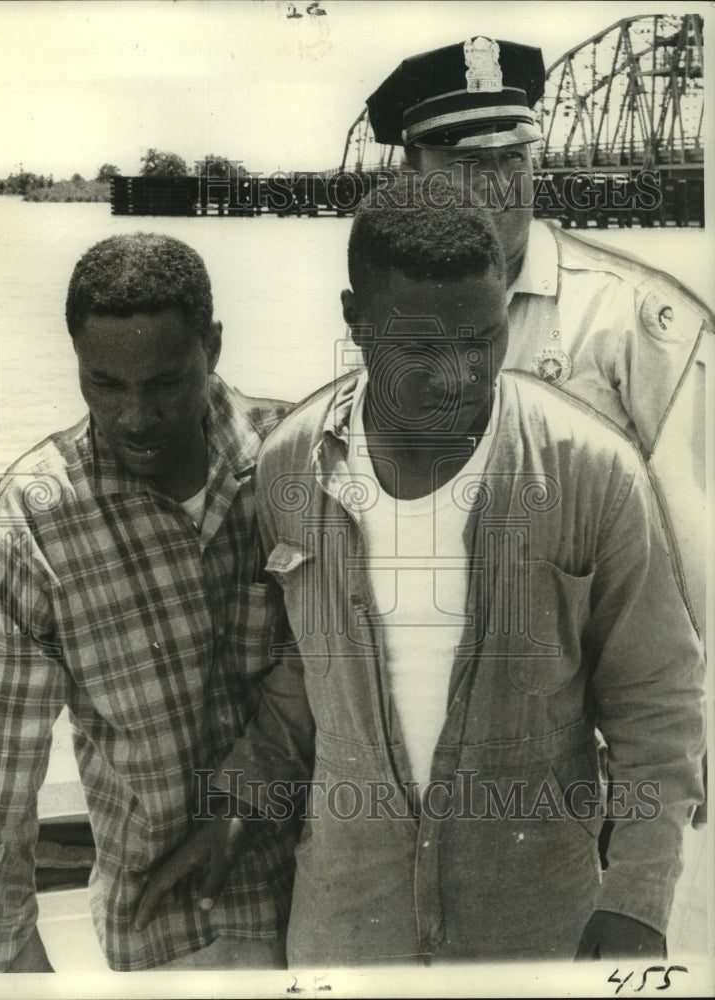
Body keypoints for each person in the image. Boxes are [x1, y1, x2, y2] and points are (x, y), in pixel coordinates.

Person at [135, 191, 706, 964]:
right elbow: (305, 671)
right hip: (346, 930)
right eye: (420, 346)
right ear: (355, 320)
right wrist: (238, 803)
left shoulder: (595, 472)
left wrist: (637, 897)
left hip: (539, 931)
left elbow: (657, 707)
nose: (459, 374)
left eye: (483, 338)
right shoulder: (287, 467)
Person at [0, 233, 296, 972]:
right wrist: (8, 971)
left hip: (331, 898)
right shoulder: (29, 527)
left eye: (166, 382)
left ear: (215, 348)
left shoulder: (299, 463)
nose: (135, 417)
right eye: (104, 384)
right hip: (170, 935)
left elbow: (355, 675)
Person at [364, 36, 712, 642]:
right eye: (469, 165)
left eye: (513, 160)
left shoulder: (635, 316)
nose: (500, 187)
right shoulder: (391, 316)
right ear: (410, 174)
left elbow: (698, 550)